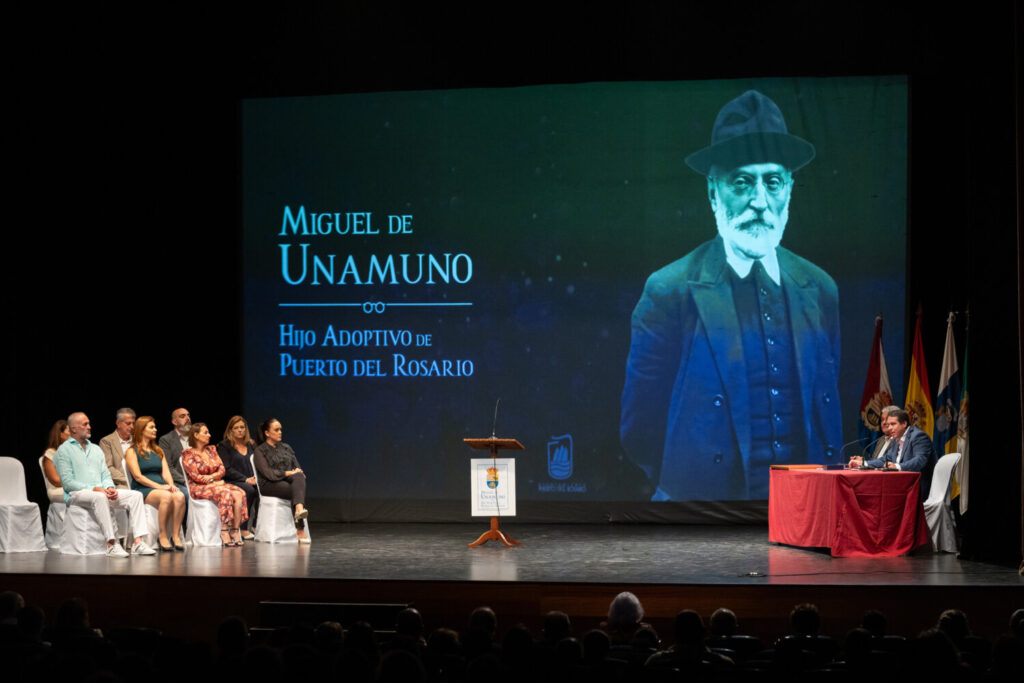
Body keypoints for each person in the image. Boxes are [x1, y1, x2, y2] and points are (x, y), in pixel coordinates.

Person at [621, 89, 841, 501]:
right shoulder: (670, 290)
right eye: (741, 182)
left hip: (806, 510)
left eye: (772, 181)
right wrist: (687, 484)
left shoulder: (821, 288)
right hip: (699, 518)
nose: (760, 201)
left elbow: (825, 407)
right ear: (712, 191)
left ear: (790, 190)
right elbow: (640, 425)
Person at [53, 412, 155, 557]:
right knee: (99, 497)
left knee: (136, 495)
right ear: (73, 428)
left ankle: (138, 542)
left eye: (88, 423)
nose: (89, 427)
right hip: (77, 494)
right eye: (85, 424)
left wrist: (110, 487)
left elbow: (105, 474)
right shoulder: (64, 451)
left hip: (101, 491)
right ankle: (111, 544)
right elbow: (68, 483)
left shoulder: (95, 449)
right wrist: (94, 489)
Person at [125, 416, 187, 551]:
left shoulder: (158, 451)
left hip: (161, 487)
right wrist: (161, 487)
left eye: (155, 427)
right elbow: (138, 476)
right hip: (143, 488)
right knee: (166, 496)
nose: (155, 429)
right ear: (141, 430)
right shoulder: (132, 451)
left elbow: (166, 473)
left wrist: (171, 485)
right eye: (151, 427)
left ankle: (175, 535)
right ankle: (162, 535)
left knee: (180, 496)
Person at [183, 422, 249, 547]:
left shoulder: (211, 450)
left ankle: (234, 530)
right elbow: (194, 476)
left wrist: (212, 478)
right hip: (198, 488)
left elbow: (222, 469)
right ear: (196, 435)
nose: (209, 435)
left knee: (240, 493)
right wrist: (215, 481)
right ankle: (224, 530)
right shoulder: (188, 454)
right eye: (205, 432)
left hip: (215, 485)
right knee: (225, 492)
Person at [849, 408, 937, 495]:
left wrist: (897, 466)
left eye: (893, 424)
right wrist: (864, 464)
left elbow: (919, 461)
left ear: (904, 423)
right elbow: (886, 459)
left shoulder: (918, 436)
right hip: (900, 485)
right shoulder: (896, 437)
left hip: (917, 487)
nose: (890, 428)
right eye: (888, 425)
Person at [253, 418, 309, 543]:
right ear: (267, 433)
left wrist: (299, 473)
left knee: (299, 477)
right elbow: (269, 474)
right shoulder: (260, 450)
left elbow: (297, 468)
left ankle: (299, 510)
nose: (280, 432)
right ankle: (300, 528)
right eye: (276, 430)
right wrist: (288, 473)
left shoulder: (286, 447)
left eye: (281, 430)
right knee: (296, 490)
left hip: (288, 481)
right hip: (268, 485)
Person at [216, 415, 259, 540]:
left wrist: (255, 478)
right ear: (231, 430)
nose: (240, 430)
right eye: (236, 428)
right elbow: (226, 469)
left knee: (263, 490)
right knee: (249, 490)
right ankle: (242, 527)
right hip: (233, 480)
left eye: (242, 427)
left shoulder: (251, 444)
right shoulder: (224, 446)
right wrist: (245, 479)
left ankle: (256, 525)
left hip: (252, 479)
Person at [98, 407, 136, 489]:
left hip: (140, 481)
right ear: (118, 423)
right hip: (120, 483)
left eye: (133, 423)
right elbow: (108, 467)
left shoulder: (137, 441)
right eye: (128, 423)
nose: (132, 427)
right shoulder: (106, 441)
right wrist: (128, 479)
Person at [157, 407, 191, 488]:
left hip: (199, 480)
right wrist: (185, 480)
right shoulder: (166, 440)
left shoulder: (196, 437)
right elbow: (168, 467)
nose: (188, 418)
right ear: (174, 422)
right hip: (179, 482)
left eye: (188, 415)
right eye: (183, 416)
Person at [41, 420, 70, 504]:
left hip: (73, 487)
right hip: (57, 490)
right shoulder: (51, 453)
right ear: (60, 434)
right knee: (83, 494)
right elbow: (56, 481)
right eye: (69, 431)